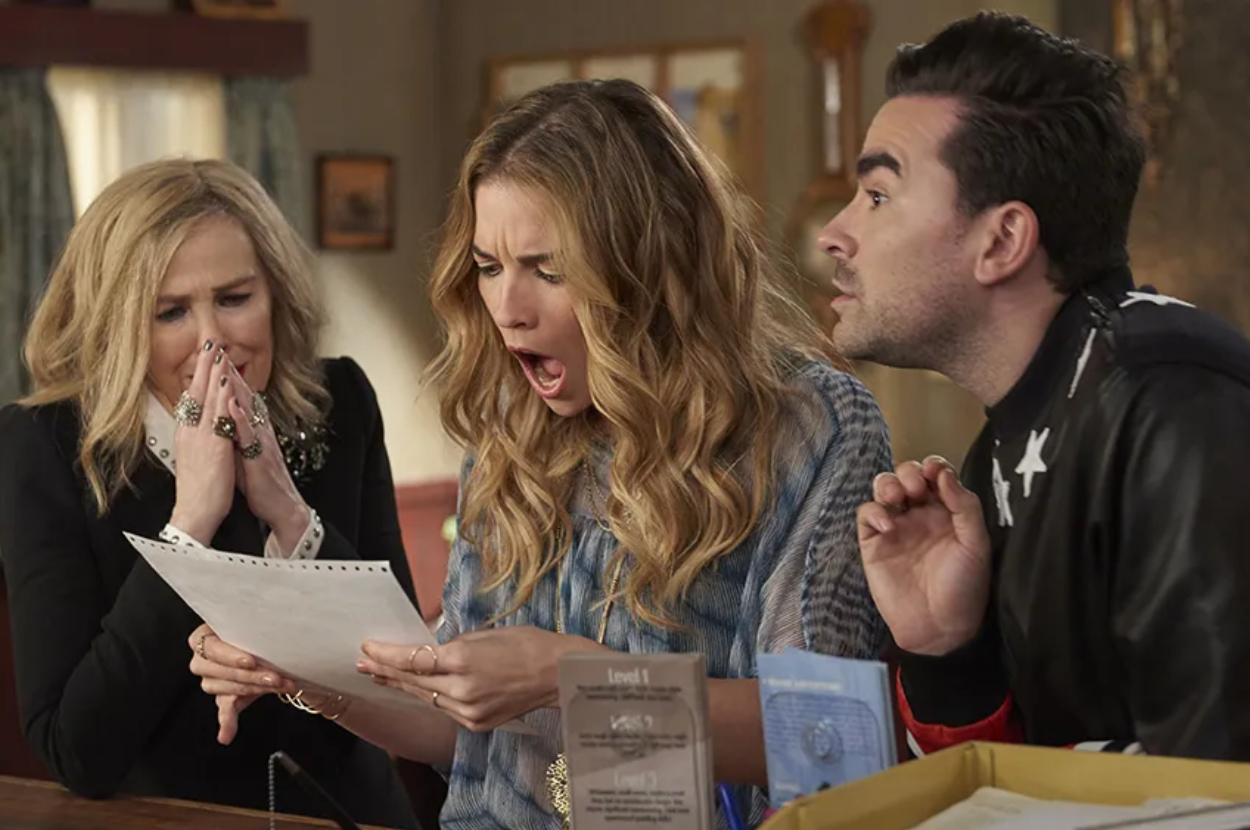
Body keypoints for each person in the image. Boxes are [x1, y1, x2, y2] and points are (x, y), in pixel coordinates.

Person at [190, 78, 893, 829]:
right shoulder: (509, 424)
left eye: (548, 270)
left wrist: (568, 678)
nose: (507, 309)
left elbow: (831, 737)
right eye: (490, 266)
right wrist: (302, 673)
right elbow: (458, 731)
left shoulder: (809, 427)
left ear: (651, 264)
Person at [820, 11, 1250, 760]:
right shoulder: (998, 453)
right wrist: (943, 647)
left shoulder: (1169, 401)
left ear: (1002, 241)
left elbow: (1217, 787)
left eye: (879, 196)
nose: (835, 231)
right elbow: (1009, 784)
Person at [0, 158, 422, 828]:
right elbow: (77, 750)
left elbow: (407, 682)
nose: (212, 339)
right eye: (171, 311)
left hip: (351, 813)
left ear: (276, 293)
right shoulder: (44, 444)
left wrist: (289, 516)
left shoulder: (340, 400)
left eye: (234, 299)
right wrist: (189, 524)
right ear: (120, 326)